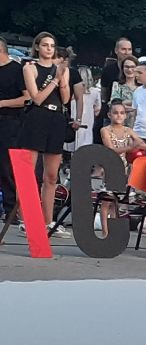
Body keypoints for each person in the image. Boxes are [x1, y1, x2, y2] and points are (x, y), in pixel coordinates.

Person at [17, 32, 71, 238]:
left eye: (52, 45)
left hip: (56, 118)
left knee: (51, 175)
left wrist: (62, 79)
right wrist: (55, 80)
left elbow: (65, 99)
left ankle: (48, 221)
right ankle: (26, 218)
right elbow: (37, 98)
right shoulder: (29, 68)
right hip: (37, 117)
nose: (49, 49)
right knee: (29, 172)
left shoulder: (61, 69)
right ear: (37, 47)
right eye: (45, 45)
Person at [98, 101, 146, 236]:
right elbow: (111, 150)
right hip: (109, 168)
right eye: (115, 113)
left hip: (123, 169)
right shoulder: (105, 130)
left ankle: (113, 232)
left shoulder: (128, 131)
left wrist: (142, 144)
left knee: (116, 201)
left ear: (125, 115)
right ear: (109, 115)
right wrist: (131, 147)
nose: (119, 115)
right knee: (106, 201)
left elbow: (143, 145)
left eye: (121, 113)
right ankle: (105, 232)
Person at [0, 37, 26, 218]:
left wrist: (3, 103)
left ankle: (11, 209)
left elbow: (26, 98)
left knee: (6, 165)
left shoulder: (17, 70)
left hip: (10, 121)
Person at [110, 55, 138, 127]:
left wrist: (125, 103)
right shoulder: (117, 85)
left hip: (139, 125)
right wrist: (134, 105)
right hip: (121, 124)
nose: (129, 70)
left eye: (132, 67)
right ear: (122, 68)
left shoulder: (142, 87)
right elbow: (114, 104)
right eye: (126, 67)